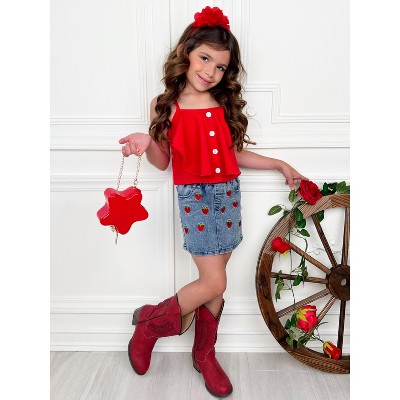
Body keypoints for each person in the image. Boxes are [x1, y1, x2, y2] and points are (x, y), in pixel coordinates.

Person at [119, 6, 307, 398]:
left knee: (215, 285)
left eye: (220, 66)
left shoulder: (221, 104)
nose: (210, 71)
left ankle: (203, 353)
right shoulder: (166, 105)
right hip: (196, 198)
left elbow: (232, 153)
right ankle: (150, 324)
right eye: (205, 58)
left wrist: (277, 163)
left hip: (229, 195)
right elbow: (163, 162)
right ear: (186, 53)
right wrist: (147, 141)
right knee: (215, 281)